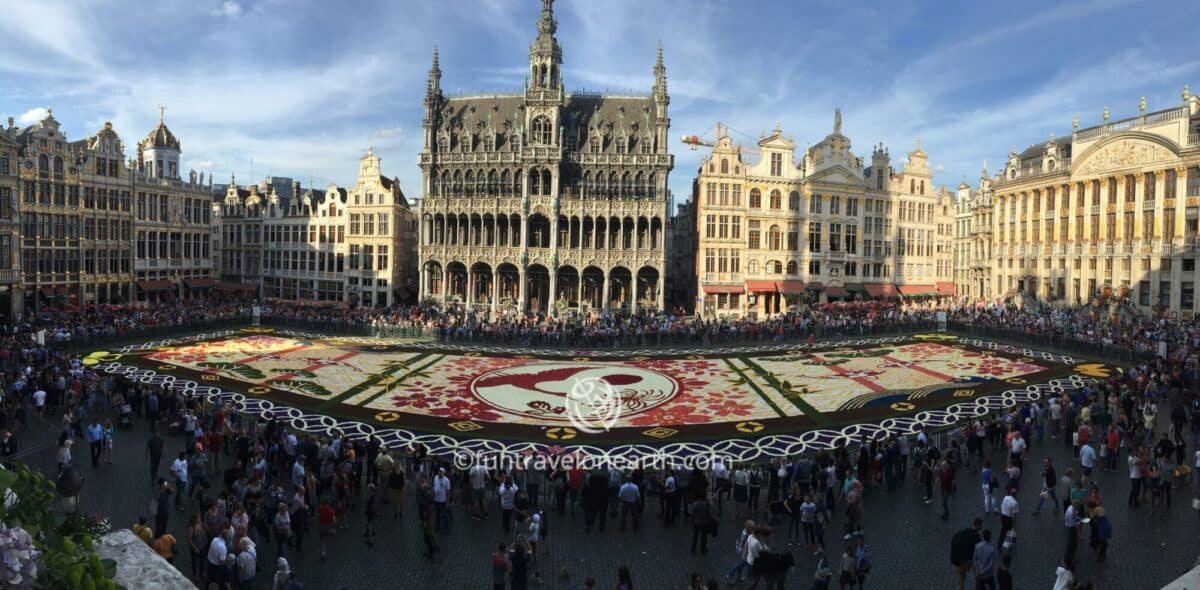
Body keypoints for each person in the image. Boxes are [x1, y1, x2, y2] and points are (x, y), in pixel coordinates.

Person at [950, 518, 983, 590]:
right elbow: (975, 552)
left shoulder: (964, 532)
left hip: (956, 560)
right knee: (976, 576)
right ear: (978, 526)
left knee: (960, 579)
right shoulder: (976, 537)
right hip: (965, 560)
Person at [725, 520, 755, 584]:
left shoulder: (745, 531)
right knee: (741, 564)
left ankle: (738, 577)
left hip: (743, 550)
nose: (753, 529)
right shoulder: (747, 534)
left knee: (741, 565)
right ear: (748, 528)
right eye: (752, 527)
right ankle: (729, 574)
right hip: (745, 551)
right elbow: (745, 544)